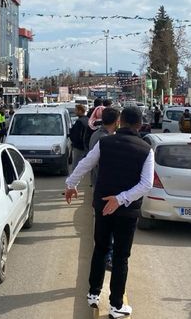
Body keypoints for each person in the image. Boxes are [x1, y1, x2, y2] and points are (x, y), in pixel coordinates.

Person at [65, 107, 154, 318]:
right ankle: (116, 305)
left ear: (120, 121)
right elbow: (146, 184)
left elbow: (85, 164)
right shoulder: (146, 149)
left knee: (101, 248)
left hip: (103, 205)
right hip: (127, 212)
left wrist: (71, 184)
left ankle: (93, 293)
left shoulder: (104, 143)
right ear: (139, 125)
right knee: (121, 257)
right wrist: (121, 199)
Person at [88, 107, 120, 272]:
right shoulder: (104, 139)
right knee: (108, 226)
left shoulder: (96, 134)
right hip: (105, 188)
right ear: (116, 121)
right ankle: (108, 257)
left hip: (98, 185)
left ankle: (106, 254)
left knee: (104, 225)